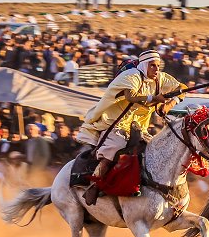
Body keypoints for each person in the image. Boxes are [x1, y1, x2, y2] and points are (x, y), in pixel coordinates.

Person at [76, 50, 183, 184]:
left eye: (158, 65)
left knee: (154, 151)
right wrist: (154, 98)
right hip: (115, 123)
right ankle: (95, 185)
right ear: (144, 65)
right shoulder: (132, 76)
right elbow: (130, 96)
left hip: (139, 127)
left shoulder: (160, 78)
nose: (156, 69)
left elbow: (181, 88)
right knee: (114, 149)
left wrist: (170, 104)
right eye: (152, 65)